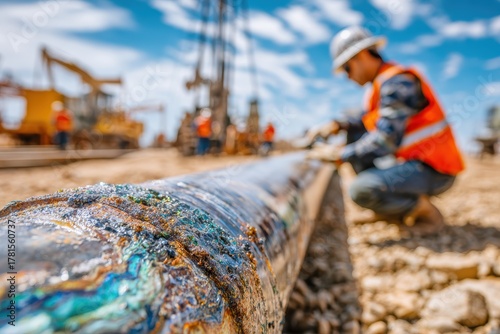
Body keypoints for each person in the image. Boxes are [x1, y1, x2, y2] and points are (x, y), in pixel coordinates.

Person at [307, 26, 465, 230]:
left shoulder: (397, 83)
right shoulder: (383, 85)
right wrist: (338, 125)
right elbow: (364, 121)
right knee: (354, 133)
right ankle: (388, 210)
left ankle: (426, 212)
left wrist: (340, 154)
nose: (347, 76)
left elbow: (385, 140)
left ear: (362, 55)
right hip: (416, 164)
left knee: (360, 190)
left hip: (435, 169)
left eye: (346, 68)